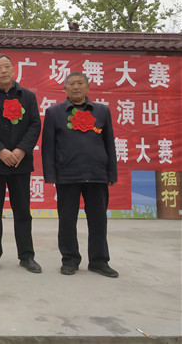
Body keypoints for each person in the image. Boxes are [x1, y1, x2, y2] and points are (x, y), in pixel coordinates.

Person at [42, 72, 119, 278]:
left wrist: (111, 172)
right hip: (67, 175)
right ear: (65, 89)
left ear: (88, 87)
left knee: (98, 220)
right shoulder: (54, 112)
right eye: (72, 84)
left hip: (97, 174)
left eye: (80, 83)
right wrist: (50, 174)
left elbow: (109, 143)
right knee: (67, 220)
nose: (76, 87)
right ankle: (69, 260)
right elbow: (48, 147)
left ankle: (99, 261)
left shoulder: (102, 111)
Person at [0, 54, 42, 273]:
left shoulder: (27, 96)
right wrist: (0, 151)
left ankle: (26, 256)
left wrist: (21, 150)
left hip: (20, 163)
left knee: (22, 211)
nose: (3, 71)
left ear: (14, 70)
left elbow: (34, 124)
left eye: (7, 67)